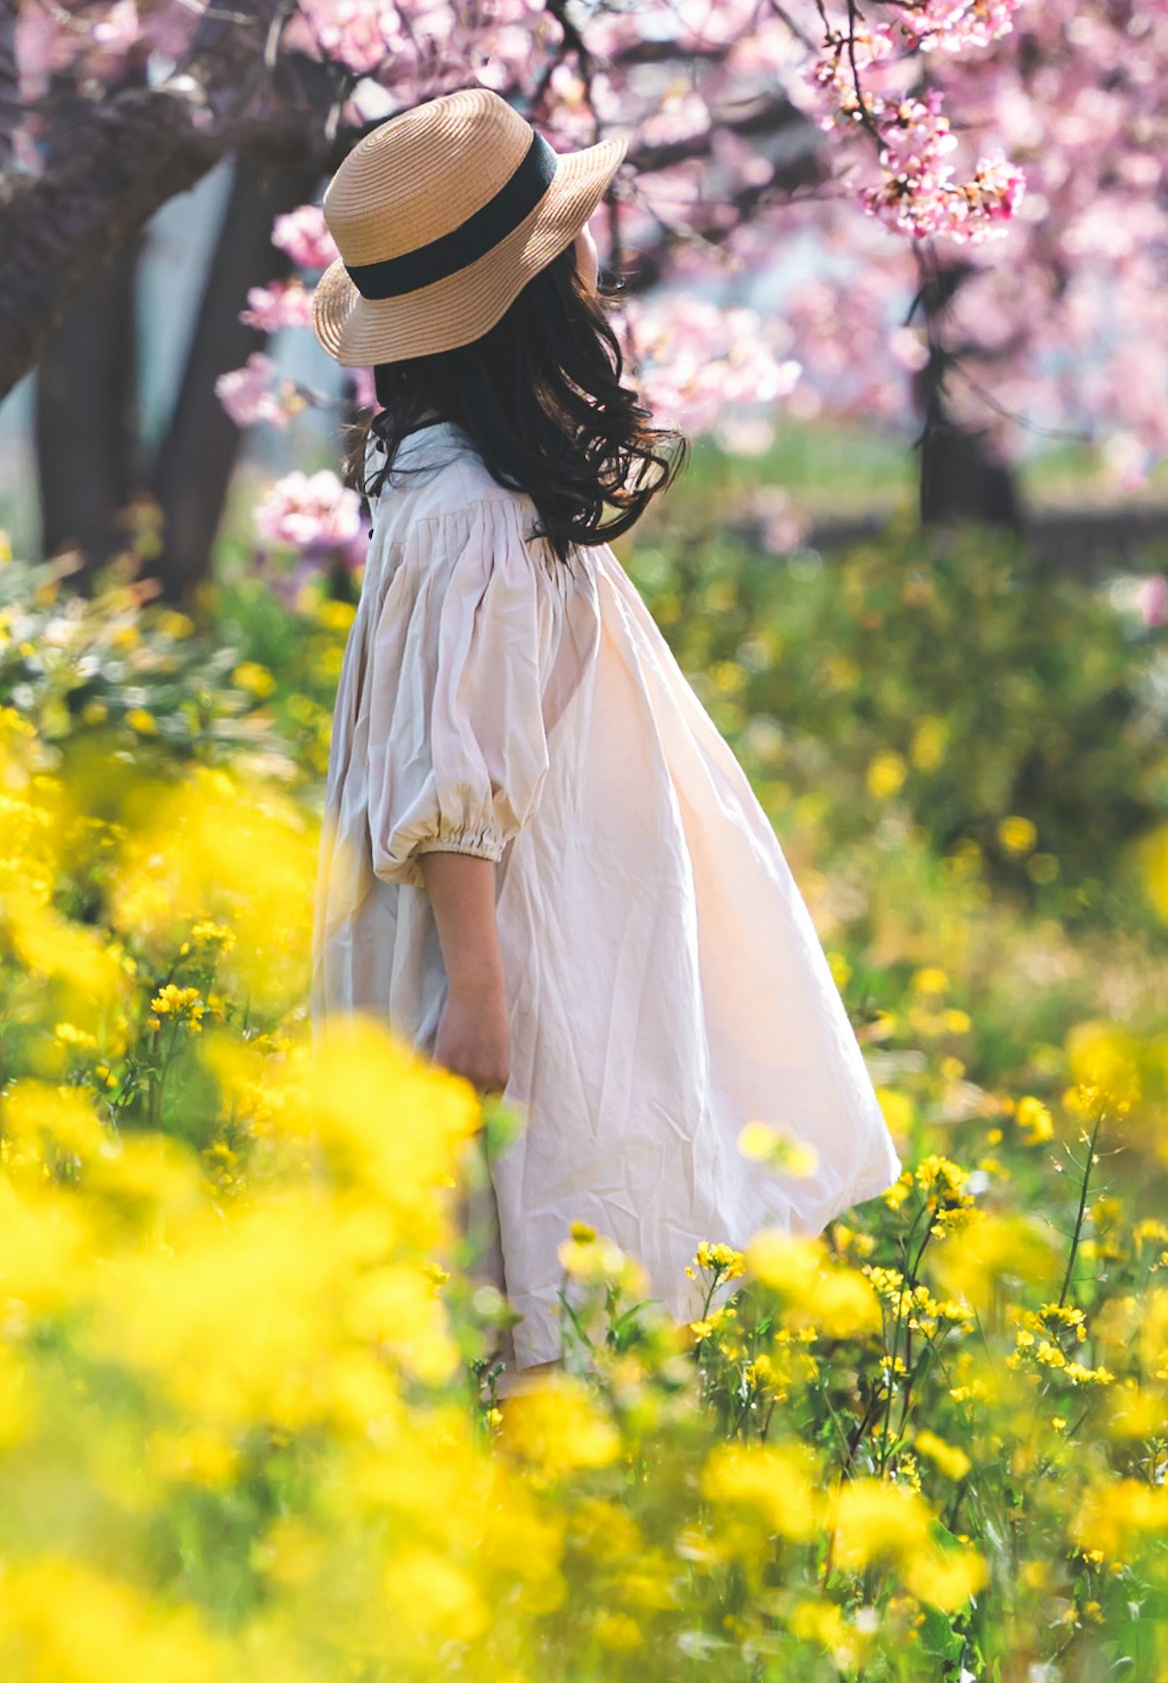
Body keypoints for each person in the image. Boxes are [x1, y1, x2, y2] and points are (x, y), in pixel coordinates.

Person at [307, 85, 900, 1384]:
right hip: (518, 932)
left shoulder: (438, 477)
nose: (588, 256)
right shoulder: (473, 507)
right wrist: (478, 990)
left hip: (524, 915)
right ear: (525, 294)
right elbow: (455, 773)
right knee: (534, 1246)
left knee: (520, 1261)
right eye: (563, 239)